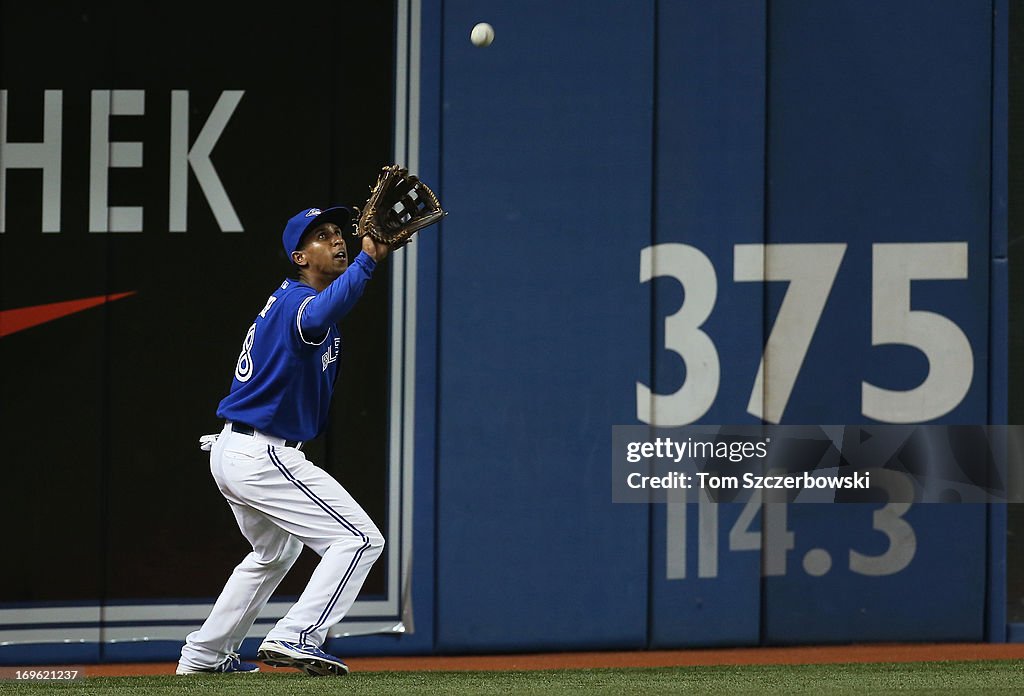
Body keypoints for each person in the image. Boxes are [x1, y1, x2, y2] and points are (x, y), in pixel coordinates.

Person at [176, 205, 389, 676]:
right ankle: (296, 635)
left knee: (275, 553)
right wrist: (368, 261)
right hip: (261, 452)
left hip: (235, 450)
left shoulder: (290, 300)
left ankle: (204, 657)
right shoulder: (298, 304)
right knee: (358, 540)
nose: (337, 240)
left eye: (339, 232)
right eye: (322, 236)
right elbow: (322, 312)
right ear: (299, 256)